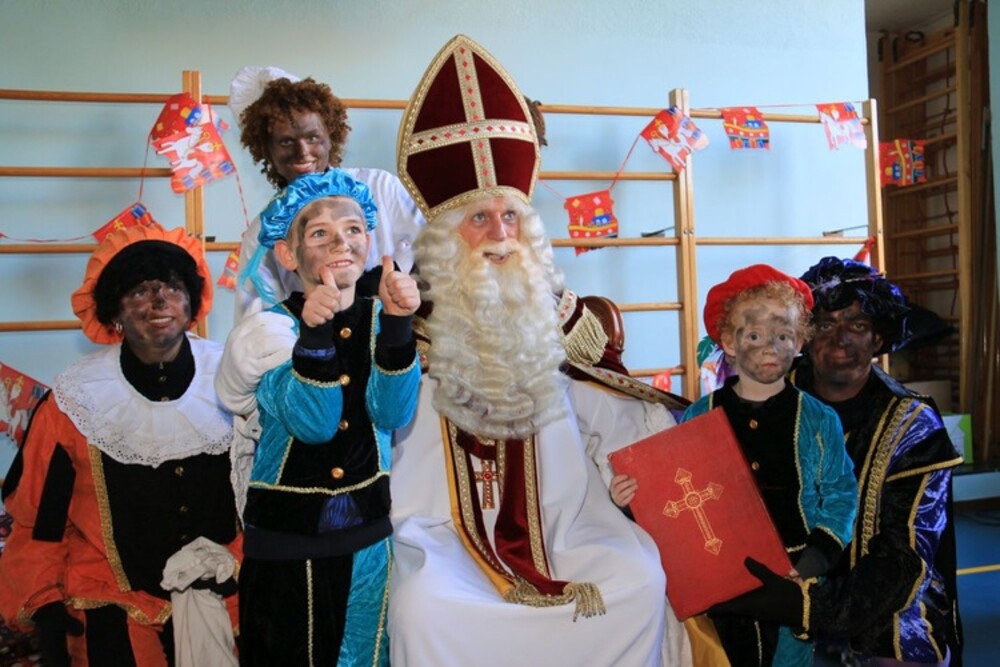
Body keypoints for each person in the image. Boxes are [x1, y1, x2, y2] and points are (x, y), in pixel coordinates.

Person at [385, 34, 690, 667]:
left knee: (638, 581)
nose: (500, 235)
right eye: (479, 219)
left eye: (510, 217)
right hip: (444, 536)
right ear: (444, 237)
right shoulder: (404, 326)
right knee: (424, 608)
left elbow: (615, 412)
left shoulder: (562, 316)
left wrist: (625, 474)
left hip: (568, 526)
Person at [0, 224, 240, 666]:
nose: (159, 302)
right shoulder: (75, 401)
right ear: (114, 312)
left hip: (232, 586)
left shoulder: (236, 378)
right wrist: (43, 600)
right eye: (139, 291)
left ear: (192, 302)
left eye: (172, 287)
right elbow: (40, 523)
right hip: (113, 594)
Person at [717, 257, 964, 666]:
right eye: (826, 325)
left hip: (881, 597)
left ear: (878, 339)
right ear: (805, 336)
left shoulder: (913, 425)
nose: (840, 339)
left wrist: (809, 607)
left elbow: (904, 558)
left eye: (858, 325)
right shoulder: (765, 390)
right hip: (777, 576)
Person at [219, 168, 421, 666]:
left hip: (368, 539)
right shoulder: (269, 332)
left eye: (353, 229)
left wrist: (398, 328)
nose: (341, 243)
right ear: (288, 255)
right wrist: (312, 336)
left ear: (370, 241)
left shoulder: (380, 317)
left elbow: (393, 411)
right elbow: (314, 424)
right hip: (288, 544)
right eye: (319, 234)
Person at [662, 265, 856, 667]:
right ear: (729, 343)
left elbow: (841, 495)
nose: (770, 347)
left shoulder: (819, 419)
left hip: (794, 579)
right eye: (754, 336)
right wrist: (630, 500)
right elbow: (677, 492)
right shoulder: (701, 415)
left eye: (782, 335)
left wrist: (814, 560)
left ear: (799, 341)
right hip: (723, 581)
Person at [227, 65, 426, 321]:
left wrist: (408, 295)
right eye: (286, 141)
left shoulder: (381, 187)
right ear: (266, 150)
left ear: (331, 136)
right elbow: (258, 325)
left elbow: (436, 256)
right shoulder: (262, 235)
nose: (303, 152)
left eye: (312, 138)